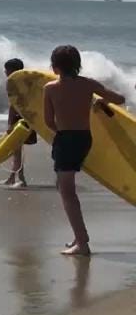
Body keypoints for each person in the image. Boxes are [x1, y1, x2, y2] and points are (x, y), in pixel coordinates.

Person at [44, 45, 126, 257]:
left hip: (66, 140)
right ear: (77, 65)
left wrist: (61, 134)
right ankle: (79, 235)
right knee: (64, 187)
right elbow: (120, 99)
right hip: (84, 139)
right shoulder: (88, 84)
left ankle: (82, 243)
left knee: (67, 193)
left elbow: (47, 121)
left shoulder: (50, 88)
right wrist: (101, 100)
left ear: (54, 67)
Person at [2, 58, 37, 188]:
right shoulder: (28, 83)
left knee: (16, 150)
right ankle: (15, 177)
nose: (5, 72)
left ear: (13, 71)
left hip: (19, 120)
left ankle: (18, 178)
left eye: (6, 69)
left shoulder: (13, 84)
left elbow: (13, 105)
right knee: (17, 150)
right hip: (29, 118)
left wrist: (10, 124)